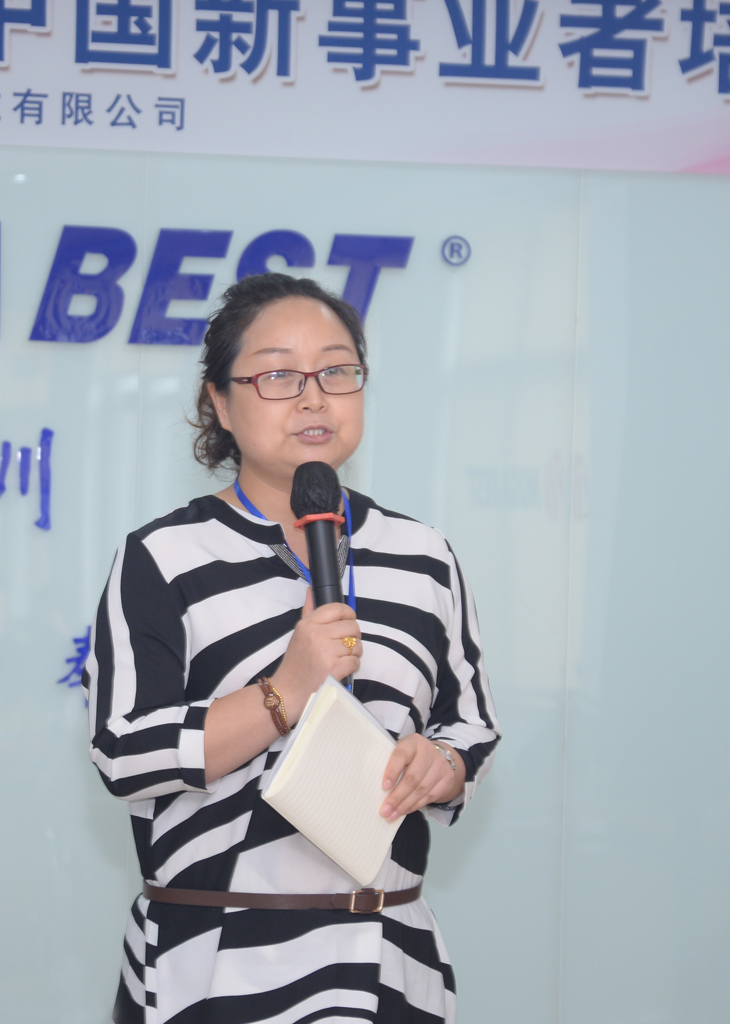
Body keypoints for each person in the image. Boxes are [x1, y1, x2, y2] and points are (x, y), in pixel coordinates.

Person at [84, 273, 500, 1024]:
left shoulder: (424, 555)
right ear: (220, 402)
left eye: (337, 372)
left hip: (388, 956)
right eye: (279, 376)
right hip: (215, 959)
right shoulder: (163, 557)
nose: (314, 398)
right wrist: (287, 688)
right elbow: (126, 753)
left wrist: (440, 766)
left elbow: (470, 724)